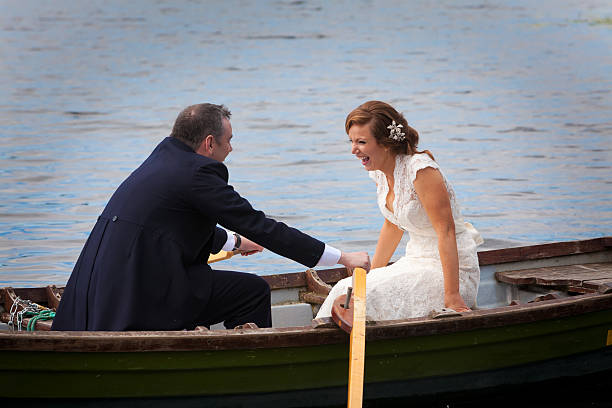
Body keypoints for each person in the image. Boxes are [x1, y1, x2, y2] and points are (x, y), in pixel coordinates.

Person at [52, 103, 370, 331]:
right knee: (252, 292)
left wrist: (235, 241)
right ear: (208, 143)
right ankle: (250, 371)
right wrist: (342, 257)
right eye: (228, 141)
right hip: (142, 295)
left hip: (91, 293)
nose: (230, 148)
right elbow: (261, 225)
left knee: (207, 280)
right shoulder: (199, 172)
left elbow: (172, 225)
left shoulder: (160, 162)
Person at [317, 101, 482, 320]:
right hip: (415, 260)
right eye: (352, 141)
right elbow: (393, 224)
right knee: (345, 289)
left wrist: (452, 296)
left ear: (385, 143)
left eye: (361, 142)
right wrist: (373, 274)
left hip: (451, 270)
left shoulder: (421, 170)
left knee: (370, 297)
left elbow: (446, 231)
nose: (353, 150)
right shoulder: (380, 172)